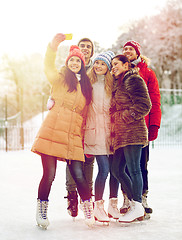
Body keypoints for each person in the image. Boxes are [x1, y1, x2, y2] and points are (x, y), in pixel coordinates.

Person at [31, 33, 95, 228]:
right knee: (49, 174)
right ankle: (41, 210)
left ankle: (88, 209)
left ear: (83, 64)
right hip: (52, 130)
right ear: (68, 63)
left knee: (78, 173)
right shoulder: (59, 79)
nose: (75, 62)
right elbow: (47, 65)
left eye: (78, 60)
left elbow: (85, 115)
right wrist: (53, 46)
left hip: (73, 134)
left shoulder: (86, 86)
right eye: (72, 60)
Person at [120, 41, 161, 217]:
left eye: (131, 49)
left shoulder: (148, 73)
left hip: (141, 127)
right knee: (123, 166)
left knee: (141, 165)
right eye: (125, 49)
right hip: (122, 128)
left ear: (137, 53)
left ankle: (142, 197)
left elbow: (155, 100)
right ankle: (127, 198)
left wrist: (154, 125)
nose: (128, 51)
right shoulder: (119, 70)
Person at [110, 54, 152, 223]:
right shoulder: (119, 82)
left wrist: (126, 116)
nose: (113, 67)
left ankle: (137, 205)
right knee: (117, 169)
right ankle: (136, 204)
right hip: (121, 134)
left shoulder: (134, 79)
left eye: (116, 64)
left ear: (126, 65)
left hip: (133, 132)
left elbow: (145, 104)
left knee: (134, 170)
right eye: (112, 64)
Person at [84, 51, 120, 223]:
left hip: (110, 132)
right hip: (94, 132)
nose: (98, 66)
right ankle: (98, 207)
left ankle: (113, 204)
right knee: (104, 169)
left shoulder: (112, 85)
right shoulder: (88, 83)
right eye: (97, 63)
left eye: (102, 64)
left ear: (108, 68)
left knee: (114, 171)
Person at [65, 38, 95, 218]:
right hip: (73, 123)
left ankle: (88, 199)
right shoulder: (70, 68)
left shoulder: (97, 68)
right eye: (82, 46)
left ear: (92, 51)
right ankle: (71, 196)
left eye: (88, 47)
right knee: (71, 159)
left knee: (88, 160)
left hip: (90, 122)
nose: (85, 49)